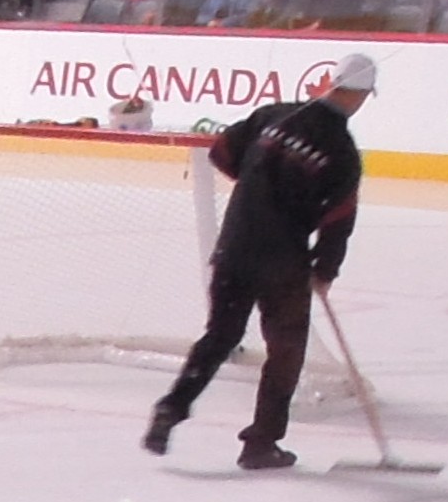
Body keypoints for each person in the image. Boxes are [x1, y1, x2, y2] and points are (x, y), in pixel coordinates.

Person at [145, 52, 374, 472]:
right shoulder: (342, 153)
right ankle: (261, 442)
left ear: (330, 83)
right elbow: (339, 220)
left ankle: (171, 408)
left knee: (219, 336)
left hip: (235, 247)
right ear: (360, 97)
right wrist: (324, 270)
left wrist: (258, 190)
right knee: (285, 351)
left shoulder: (273, 114)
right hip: (283, 264)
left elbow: (222, 152)